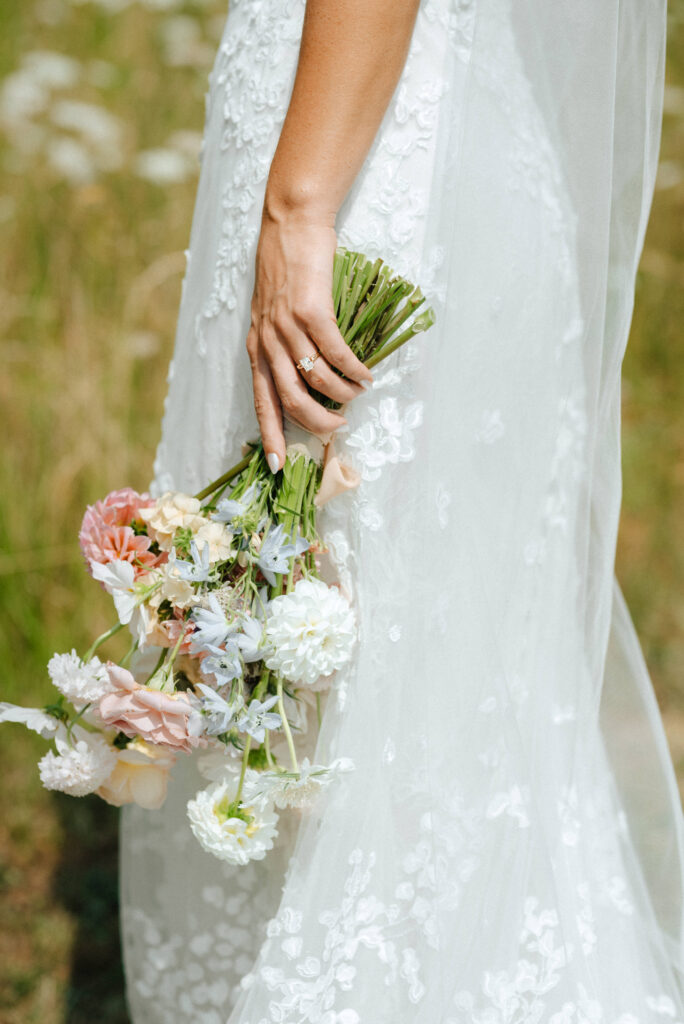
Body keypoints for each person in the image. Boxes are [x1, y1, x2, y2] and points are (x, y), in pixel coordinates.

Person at [120, 1, 684, 1021]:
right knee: (420, 688)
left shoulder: (319, 205)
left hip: (363, 179)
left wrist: (298, 208)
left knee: (358, 668)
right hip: (433, 149)